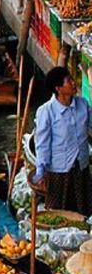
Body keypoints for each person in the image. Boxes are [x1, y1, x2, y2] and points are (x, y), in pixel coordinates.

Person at [34, 66, 92, 215]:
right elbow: (43, 145)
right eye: (69, 81)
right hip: (60, 171)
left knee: (83, 211)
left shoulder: (83, 104)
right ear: (59, 88)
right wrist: (40, 173)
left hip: (81, 166)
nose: (73, 83)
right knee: (59, 213)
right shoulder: (46, 112)